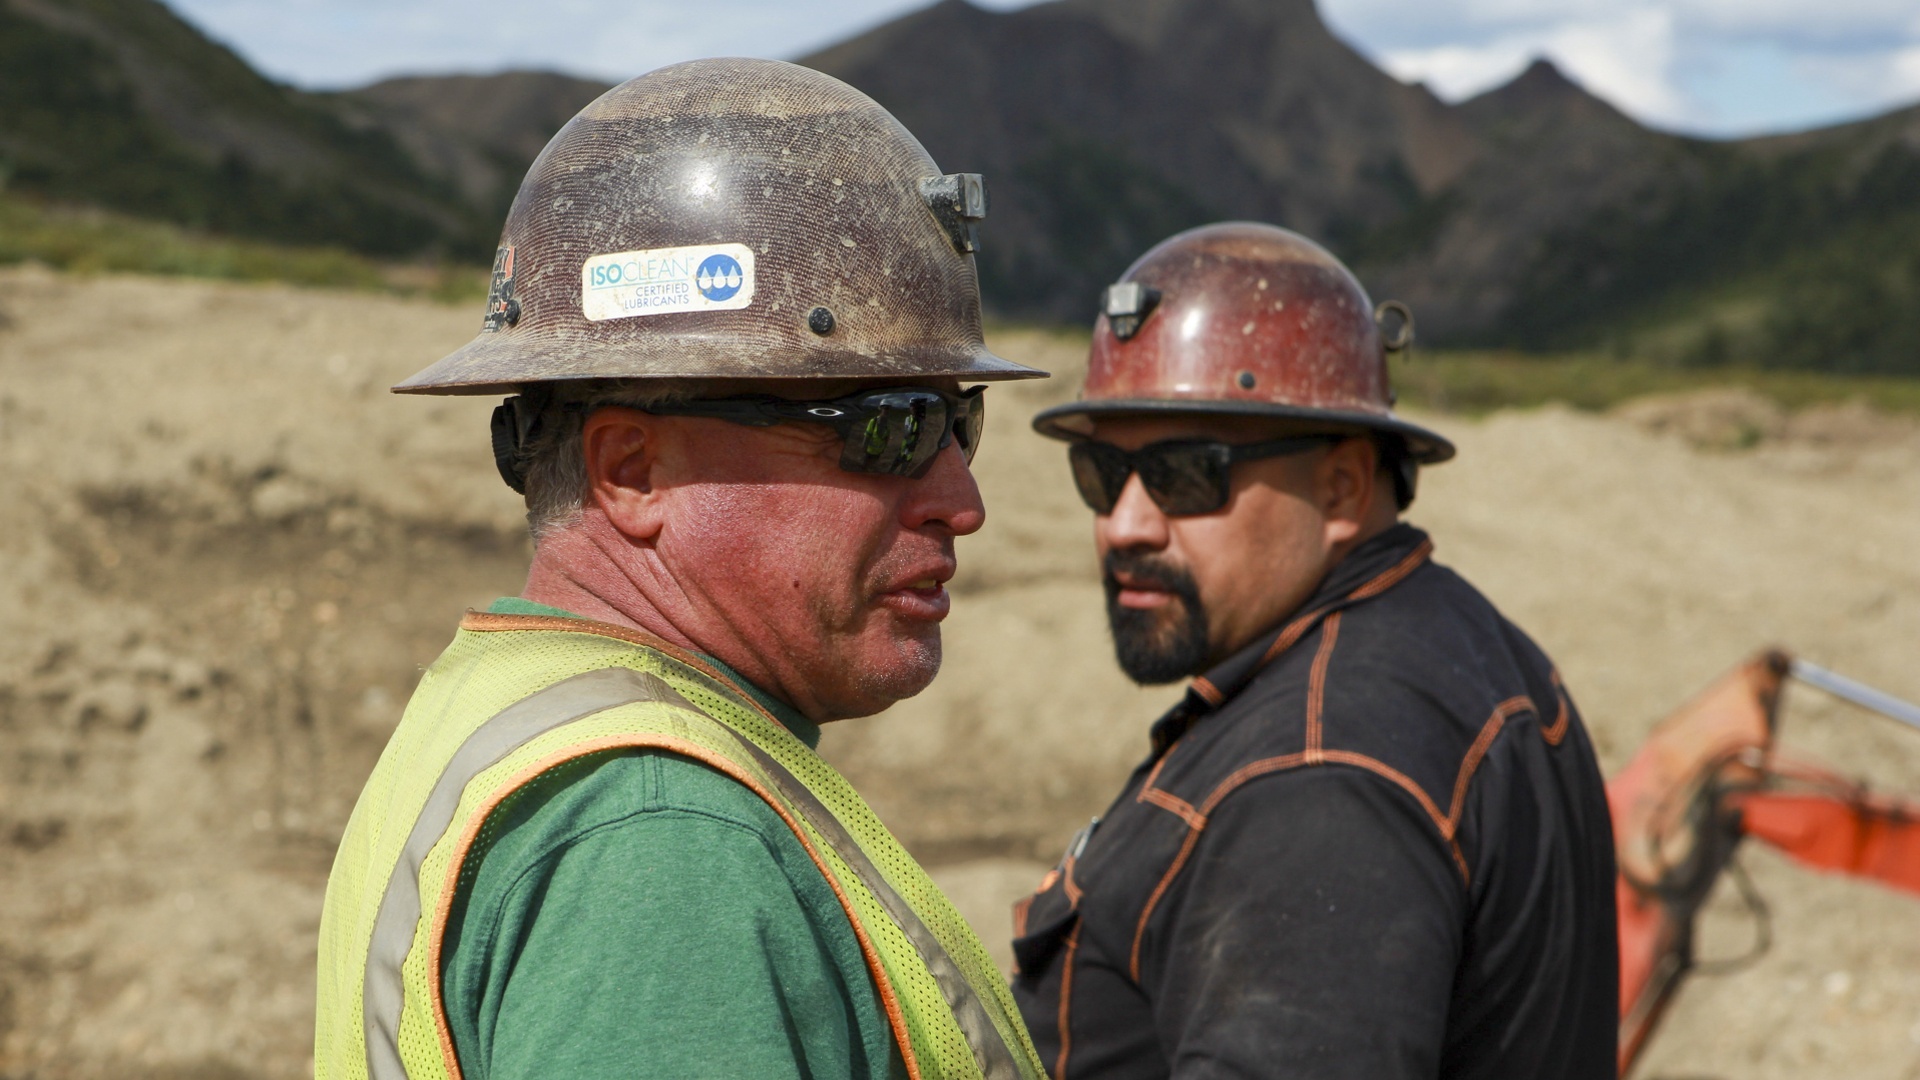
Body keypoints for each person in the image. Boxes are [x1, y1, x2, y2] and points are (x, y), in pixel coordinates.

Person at [313, 58, 1049, 1080]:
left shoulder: (508, 709)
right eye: (891, 428)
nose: (961, 503)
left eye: (960, 422)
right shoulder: (656, 837)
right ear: (633, 470)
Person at [1013, 222, 1618, 1079]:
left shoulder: (1318, 784)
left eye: (1187, 474)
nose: (1124, 525)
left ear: (1341, 486)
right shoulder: (1460, 643)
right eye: (1102, 473)